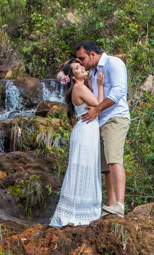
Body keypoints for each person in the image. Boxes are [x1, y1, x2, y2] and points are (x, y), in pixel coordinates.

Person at [75, 40, 130, 218]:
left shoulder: (113, 63)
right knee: (105, 166)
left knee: (114, 159)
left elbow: (118, 92)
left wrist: (97, 110)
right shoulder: (92, 72)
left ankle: (120, 205)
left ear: (92, 54)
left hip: (115, 118)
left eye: (82, 58)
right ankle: (111, 205)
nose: (80, 62)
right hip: (99, 121)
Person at [49, 59, 105, 228]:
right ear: (72, 76)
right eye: (77, 68)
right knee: (84, 168)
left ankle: (76, 212)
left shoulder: (80, 88)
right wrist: (100, 85)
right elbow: (100, 105)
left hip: (85, 130)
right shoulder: (79, 88)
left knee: (81, 169)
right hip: (86, 131)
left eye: (81, 66)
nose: (81, 68)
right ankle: (81, 213)